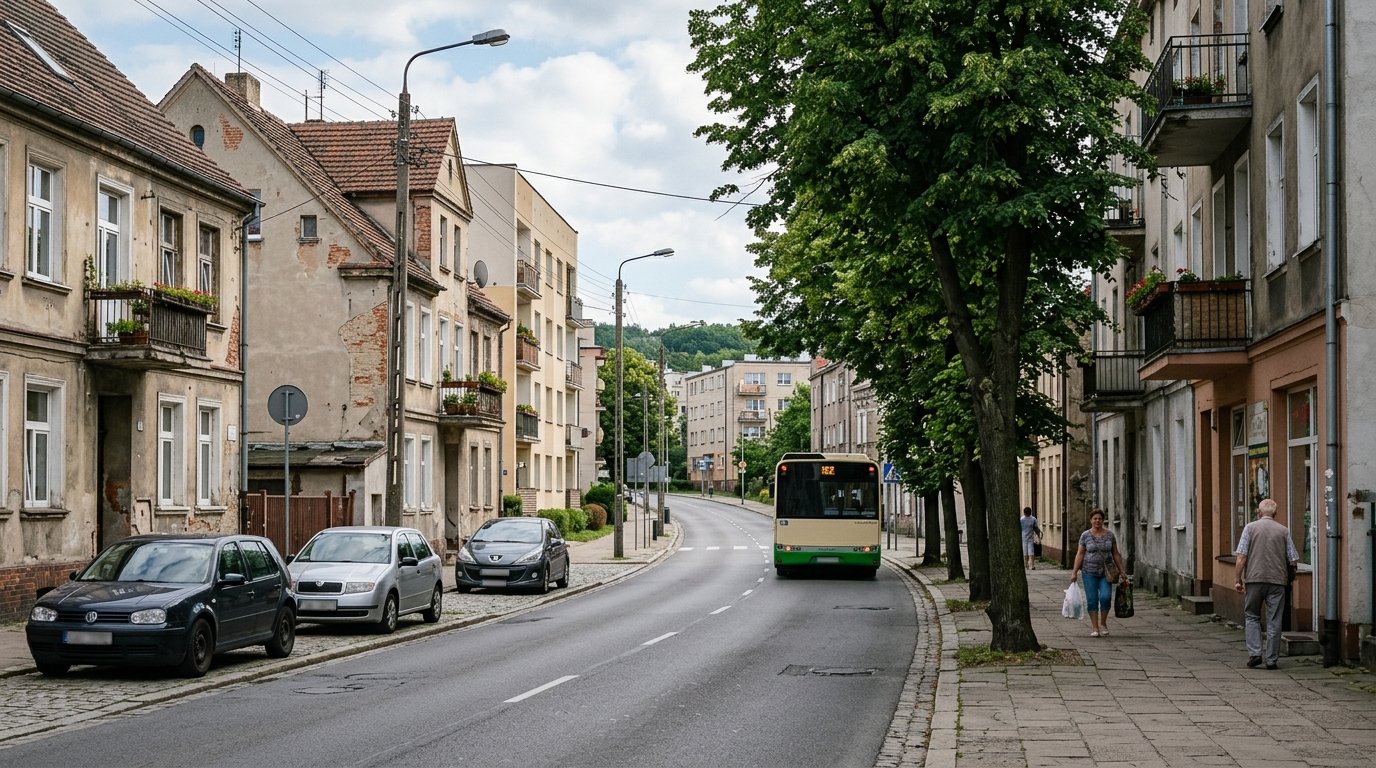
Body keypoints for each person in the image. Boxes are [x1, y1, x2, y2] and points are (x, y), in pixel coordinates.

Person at [1234, 498, 1300, 670]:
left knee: (1252, 615)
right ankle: (1271, 659)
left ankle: (1255, 653)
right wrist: (1289, 579)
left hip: (1254, 579)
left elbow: (1241, 557)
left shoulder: (1250, 528)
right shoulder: (1283, 531)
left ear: (1258, 512)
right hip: (1277, 581)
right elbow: (1292, 559)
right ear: (1275, 513)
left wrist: (1237, 579)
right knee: (1274, 620)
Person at [1070, 508, 1127, 637]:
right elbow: (1080, 554)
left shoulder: (1110, 535)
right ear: (1091, 520)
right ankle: (1095, 627)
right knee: (1092, 600)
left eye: (1100, 519)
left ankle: (1103, 623)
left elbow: (1115, 554)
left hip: (1106, 573)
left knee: (1106, 597)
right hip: (1088, 572)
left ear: (1103, 520)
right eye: (1095, 518)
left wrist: (1122, 571)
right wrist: (1074, 572)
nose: (1097, 521)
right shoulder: (1085, 535)